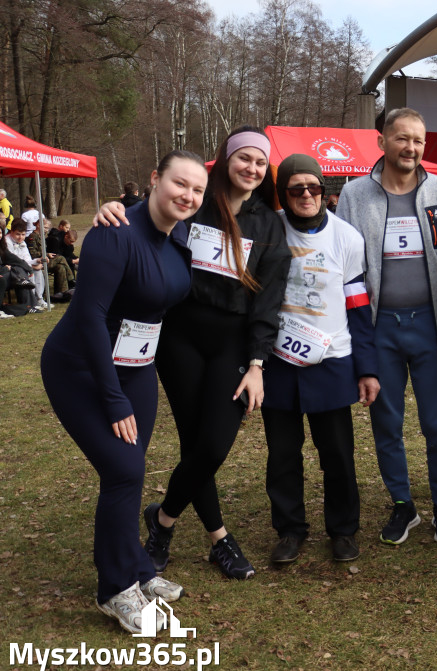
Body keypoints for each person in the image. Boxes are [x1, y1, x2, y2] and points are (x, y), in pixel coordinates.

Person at [95, 126, 292, 581]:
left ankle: (162, 521)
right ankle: (219, 539)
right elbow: (151, 218)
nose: (252, 168)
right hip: (179, 339)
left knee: (213, 444)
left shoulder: (268, 224)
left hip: (232, 345)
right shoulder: (197, 204)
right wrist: (115, 208)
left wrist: (258, 363)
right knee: (193, 440)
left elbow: (269, 301)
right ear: (226, 160)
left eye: (260, 163)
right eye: (244, 158)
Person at [40, 150, 208, 634]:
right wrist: (112, 397)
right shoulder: (114, 234)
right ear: (155, 179)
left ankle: (137, 567)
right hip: (81, 369)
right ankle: (115, 590)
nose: (188, 196)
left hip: (137, 369)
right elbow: (90, 317)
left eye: (197, 190)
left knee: (130, 473)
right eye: (180, 184)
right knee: (123, 468)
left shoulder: (177, 240)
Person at [336, 108, 437, 546]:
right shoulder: (354, 194)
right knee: (387, 422)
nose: (411, 148)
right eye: (403, 138)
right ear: (383, 141)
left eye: (419, 141)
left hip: (431, 326)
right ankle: (402, 503)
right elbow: (348, 268)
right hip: (379, 326)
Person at [263, 154, 379, 564]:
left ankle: (344, 530)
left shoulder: (346, 238)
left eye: (315, 187)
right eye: (297, 189)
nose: (307, 195)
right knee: (282, 456)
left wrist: (366, 367)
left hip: (331, 359)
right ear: (284, 194)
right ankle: (290, 529)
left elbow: (358, 306)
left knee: (338, 456)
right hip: (278, 360)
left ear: (325, 191)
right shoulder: (268, 229)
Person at [4, 220, 48, 311]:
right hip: (13, 269)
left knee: (38, 270)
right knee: (28, 271)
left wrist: (37, 261)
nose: (21, 237)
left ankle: (39, 298)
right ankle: (30, 302)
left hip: (23, 266)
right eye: (18, 234)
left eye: (23, 235)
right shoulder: (7, 241)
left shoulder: (22, 243)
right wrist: (31, 267)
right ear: (11, 232)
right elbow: (14, 260)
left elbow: (27, 259)